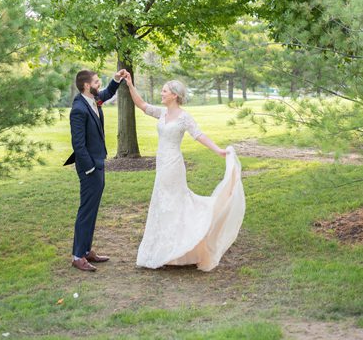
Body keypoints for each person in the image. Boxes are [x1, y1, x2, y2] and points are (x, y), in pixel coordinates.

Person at [122, 72, 245, 271]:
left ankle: (177, 247)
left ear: (175, 95)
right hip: (161, 164)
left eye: (164, 91)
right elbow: (141, 105)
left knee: (173, 201)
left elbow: (199, 135)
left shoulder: (184, 117)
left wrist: (219, 151)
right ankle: (167, 250)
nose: (161, 93)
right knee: (163, 202)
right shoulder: (161, 113)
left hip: (173, 165)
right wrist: (129, 84)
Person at [63, 68, 126, 272]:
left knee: (92, 210)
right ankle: (77, 256)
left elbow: (106, 94)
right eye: (97, 82)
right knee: (86, 211)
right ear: (87, 86)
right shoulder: (79, 109)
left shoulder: (93, 99)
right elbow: (78, 145)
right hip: (89, 168)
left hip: (98, 163)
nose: (100, 84)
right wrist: (90, 168)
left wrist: (116, 80)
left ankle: (87, 250)